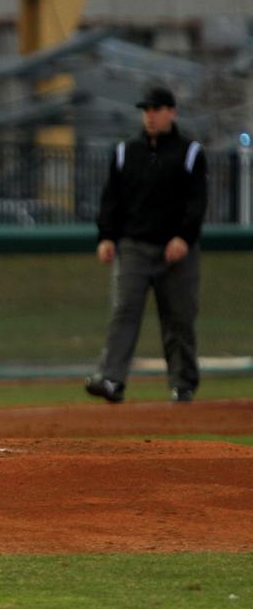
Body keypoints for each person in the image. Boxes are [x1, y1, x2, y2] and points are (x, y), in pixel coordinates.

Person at [86, 86, 208, 404]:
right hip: (134, 246)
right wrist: (107, 236)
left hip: (176, 250)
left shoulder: (190, 151)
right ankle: (111, 379)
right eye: (146, 110)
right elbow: (111, 199)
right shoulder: (126, 151)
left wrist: (184, 236)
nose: (150, 116)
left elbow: (197, 202)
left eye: (157, 109)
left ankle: (183, 384)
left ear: (172, 112)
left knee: (179, 317)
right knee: (124, 311)